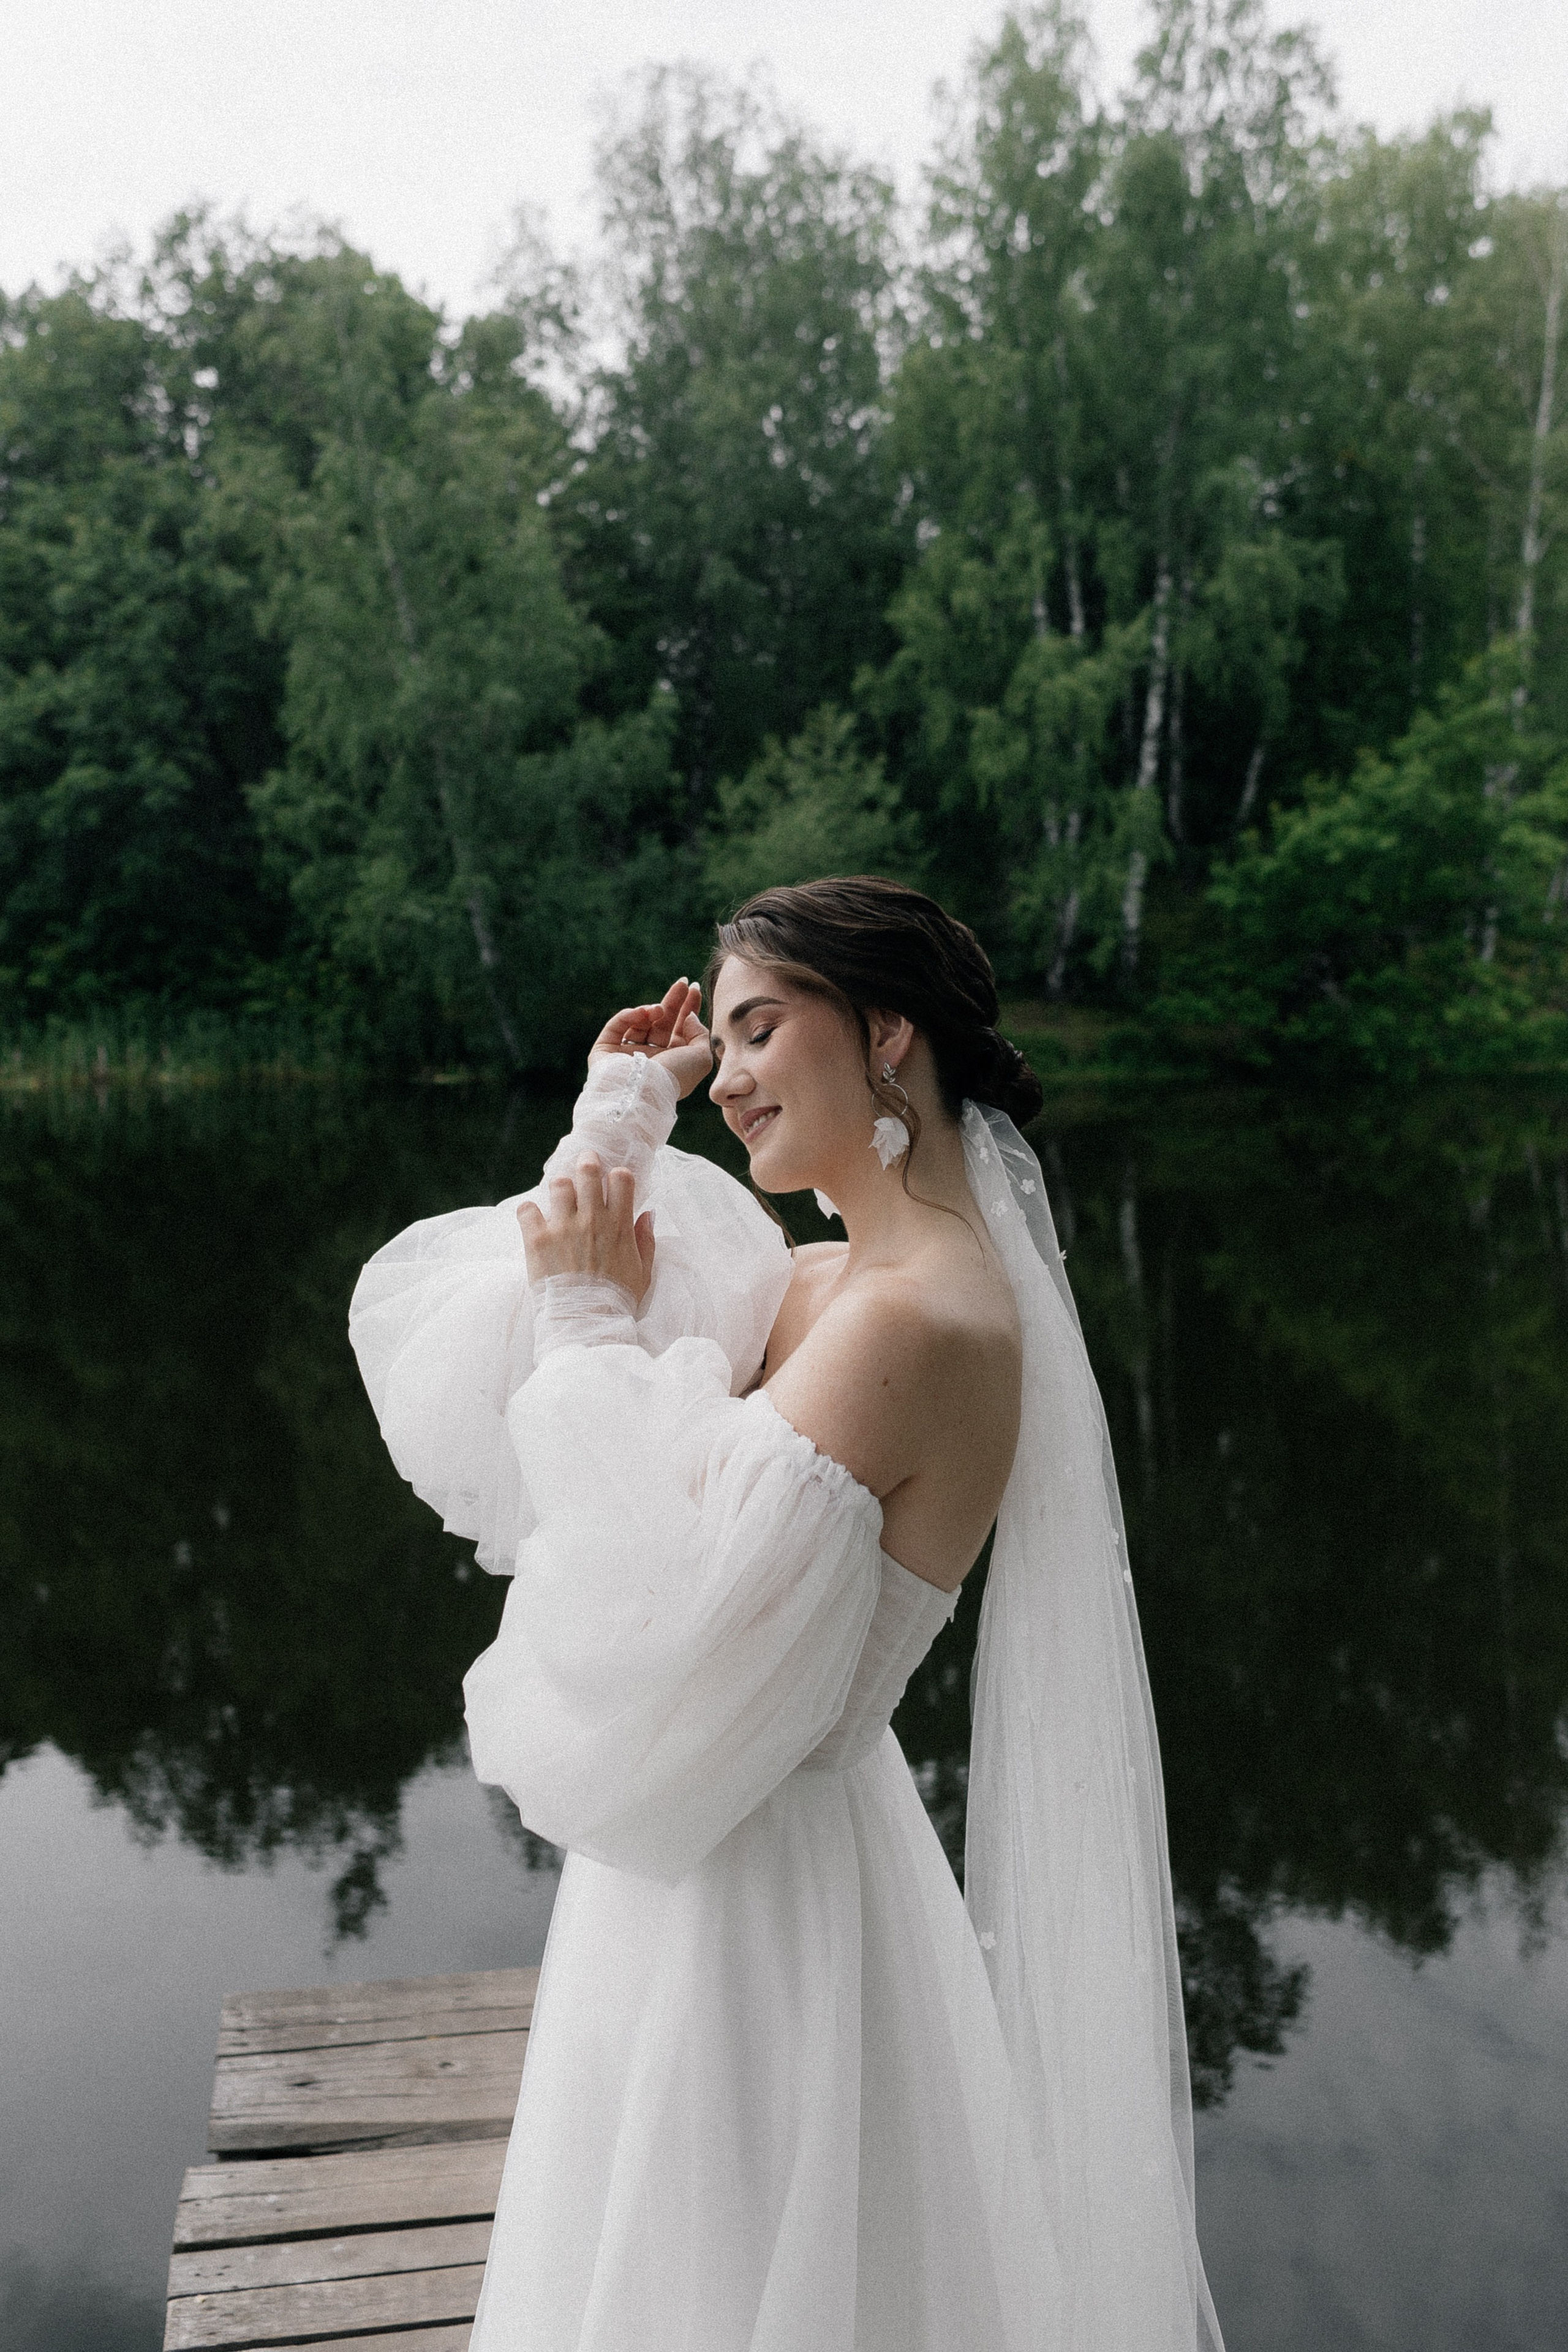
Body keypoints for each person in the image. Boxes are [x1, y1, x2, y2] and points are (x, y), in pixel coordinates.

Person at [350, 877, 1224, 2352]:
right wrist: (619, 1119)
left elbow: (649, 1633)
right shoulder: (825, 1279)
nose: (733, 1077)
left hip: (759, 1896)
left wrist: (586, 1324)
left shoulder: (918, 1323)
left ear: (884, 1036)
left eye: (761, 1030)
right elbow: (502, 1416)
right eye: (724, 1037)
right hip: (709, 1851)